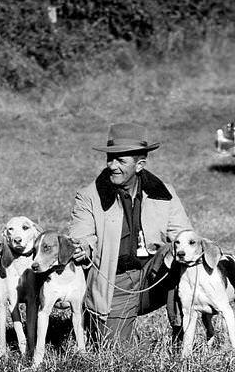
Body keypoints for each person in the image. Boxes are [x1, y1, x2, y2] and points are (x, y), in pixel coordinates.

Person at [68, 122, 192, 343]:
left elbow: (185, 236)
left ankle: (181, 332)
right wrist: (83, 247)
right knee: (117, 354)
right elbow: (81, 236)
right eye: (110, 159)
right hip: (114, 282)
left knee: (178, 253)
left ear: (139, 165)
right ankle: (95, 318)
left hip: (153, 275)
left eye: (121, 161)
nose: (112, 166)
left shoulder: (164, 193)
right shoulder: (88, 196)